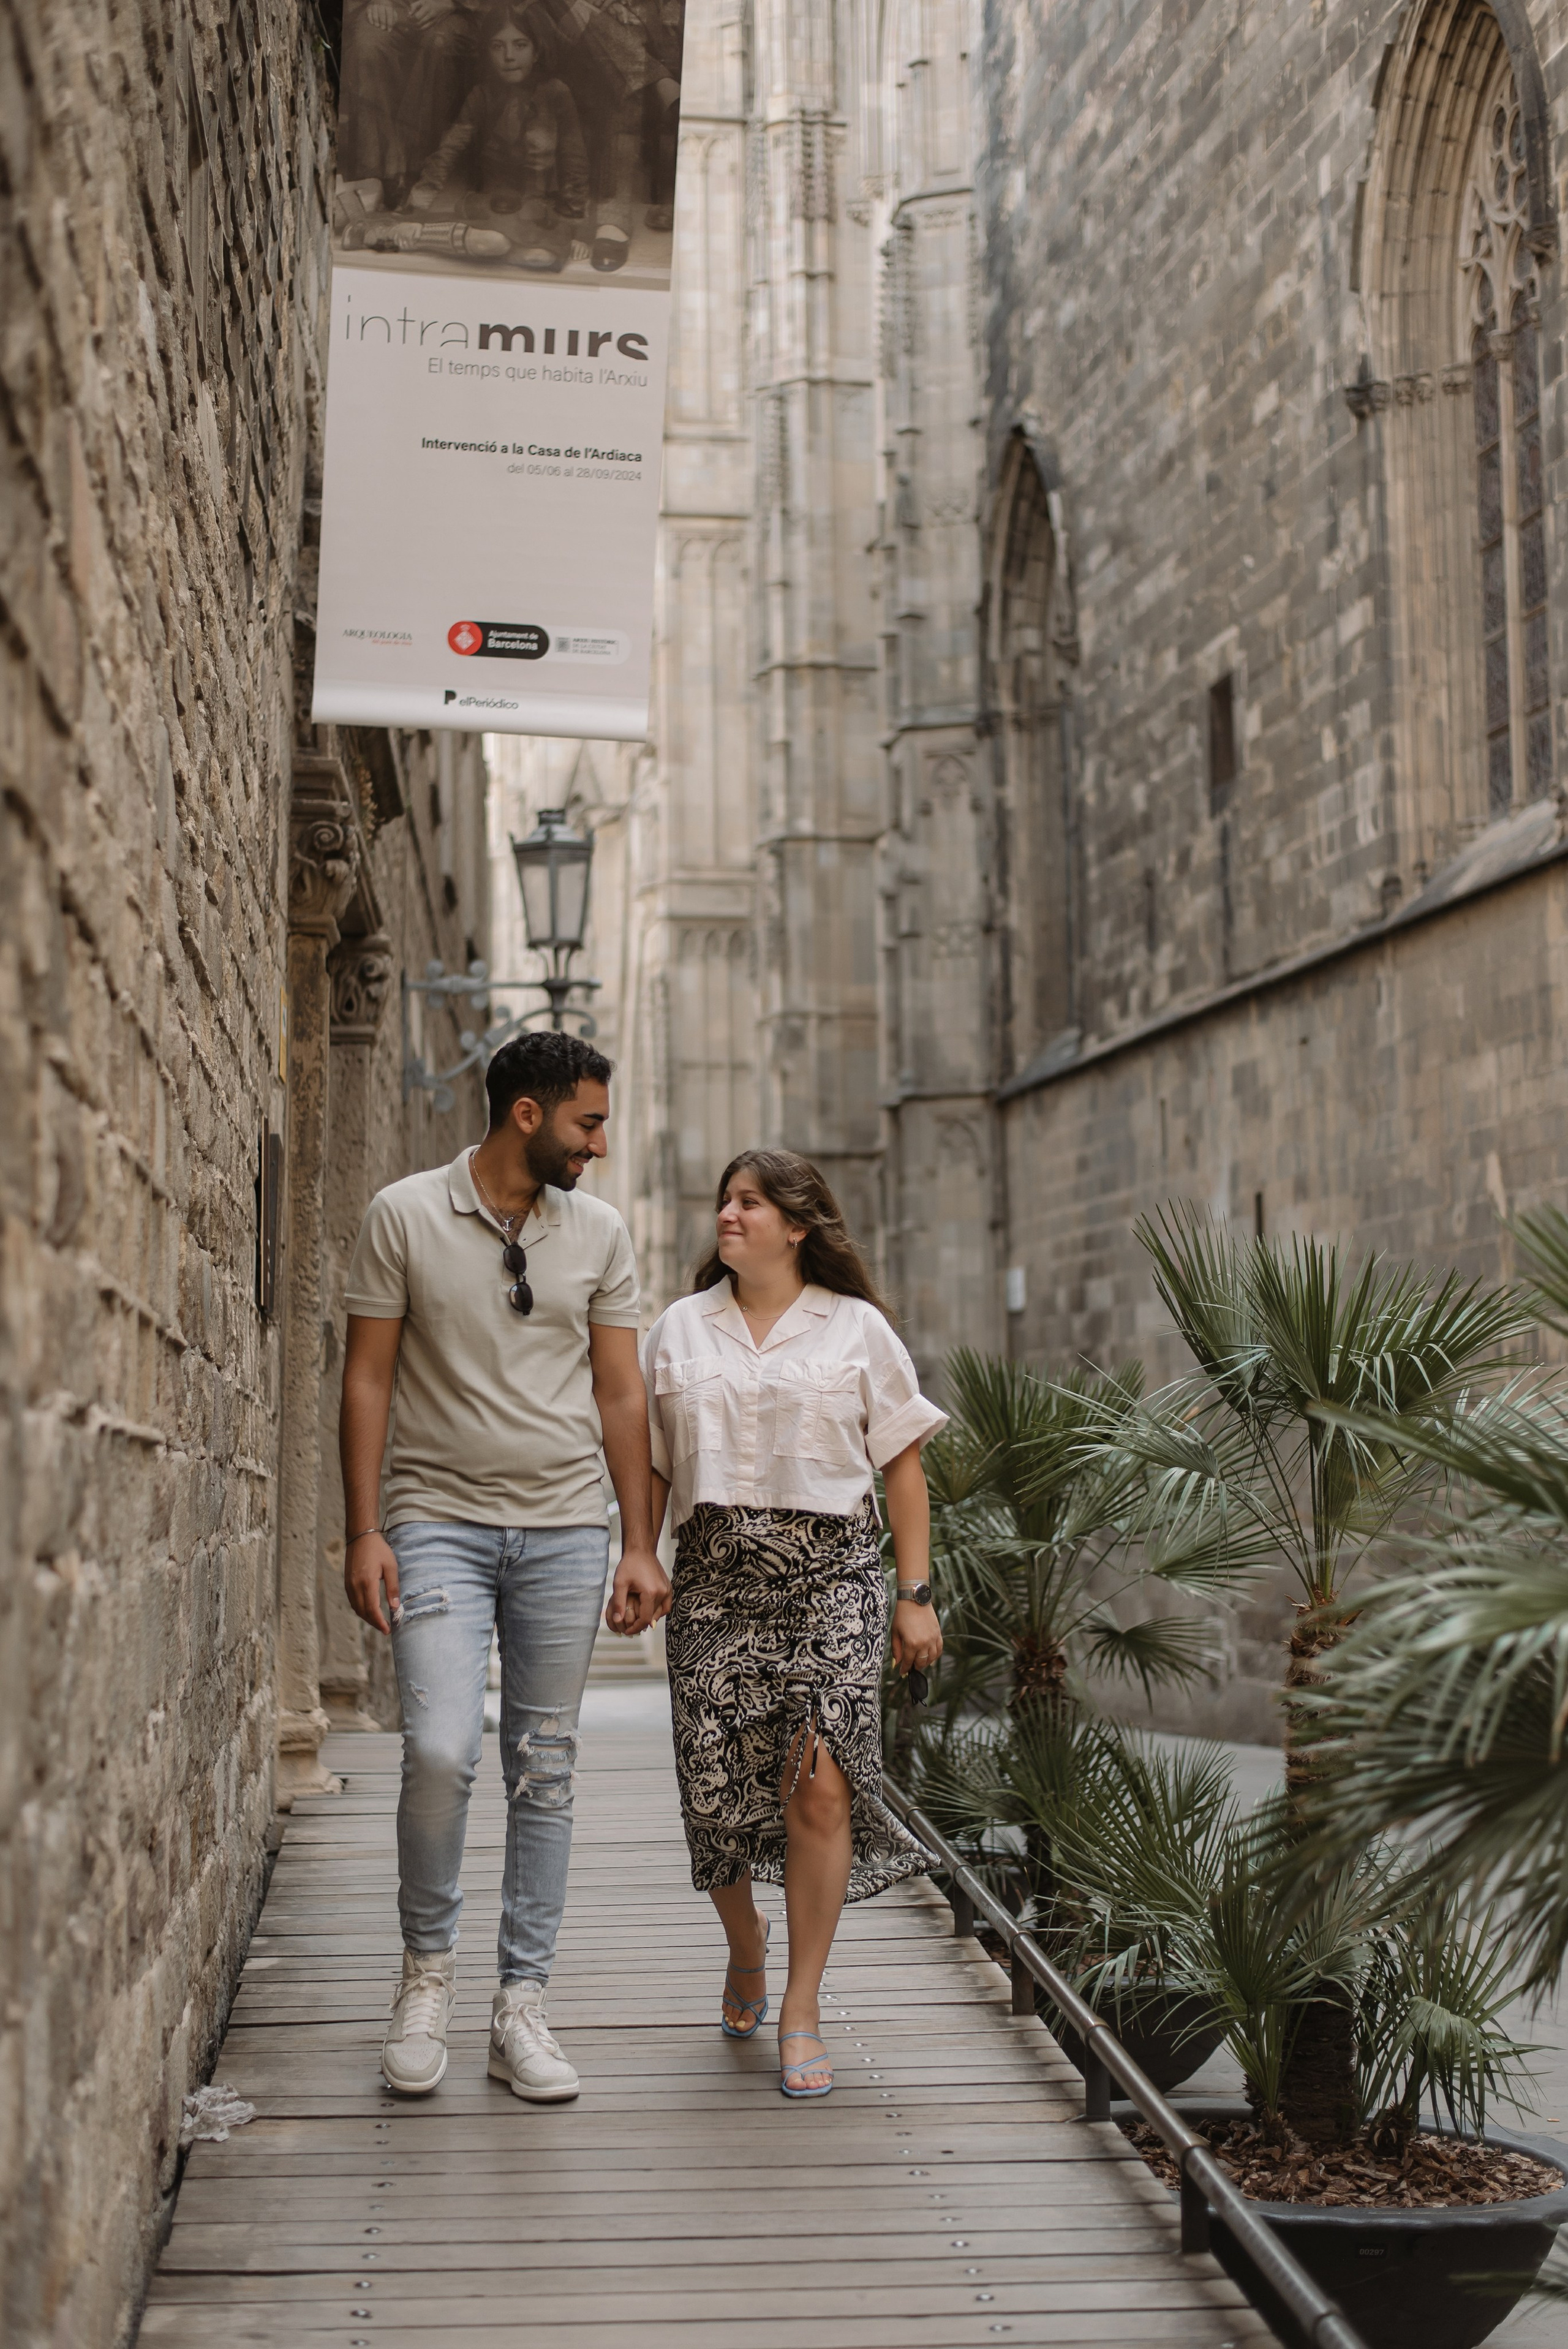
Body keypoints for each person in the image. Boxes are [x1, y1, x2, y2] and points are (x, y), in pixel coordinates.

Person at [339, 1030, 667, 2101]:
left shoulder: (600, 1235)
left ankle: (520, 2004)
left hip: (568, 1531)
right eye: (588, 1122)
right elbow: (369, 1381)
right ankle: (425, 1975)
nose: (601, 1146)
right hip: (436, 1519)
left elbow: (622, 1394)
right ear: (527, 1115)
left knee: (547, 1766)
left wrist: (637, 1540)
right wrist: (363, 1528)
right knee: (438, 1749)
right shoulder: (403, 1215)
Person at [642, 1150, 946, 2098]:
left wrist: (915, 1592)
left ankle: (802, 2007)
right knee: (716, 1795)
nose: (727, 1215)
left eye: (749, 1203)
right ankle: (747, 1943)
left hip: (835, 1579)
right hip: (713, 1583)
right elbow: (653, 1462)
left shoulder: (857, 1328)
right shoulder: (678, 1330)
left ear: (798, 1224)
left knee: (820, 1786)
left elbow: (900, 1463)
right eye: (725, 1201)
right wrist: (638, 1552)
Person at [408, 3, 589, 270]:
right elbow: (450, 149)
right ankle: (423, 238)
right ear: (487, 51)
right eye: (497, 46)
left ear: (537, 51)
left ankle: (489, 250)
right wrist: (420, 205)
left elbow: (574, 160)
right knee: (494, 240)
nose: (508, 56)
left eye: (520, 45)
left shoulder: (556, 94)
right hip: (492, 206)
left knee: (542, 258)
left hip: (537, 208)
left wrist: (573, 224)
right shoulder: (482, 95)